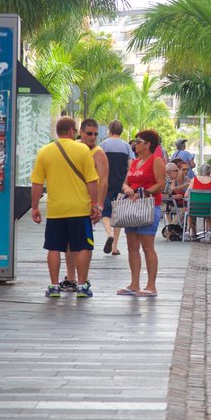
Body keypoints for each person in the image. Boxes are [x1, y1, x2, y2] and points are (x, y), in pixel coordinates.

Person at [30, 116, 101, 299]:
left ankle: (54, 286)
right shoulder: (83, 150)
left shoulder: (44, 152)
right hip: (79, 208)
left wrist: (35, 207)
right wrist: (95, 204)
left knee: (53, 247)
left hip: (56, 209)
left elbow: (37, 183)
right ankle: (82, 286)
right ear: (71, 131)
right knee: (82, 246)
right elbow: (92, 181)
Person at [59, 118, 110, 292]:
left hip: (88, 205)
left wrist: (100, 205)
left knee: (84, 243)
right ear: (80, 132)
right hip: (69, 203)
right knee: (67, 243)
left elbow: (103, 182)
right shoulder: (72, 148)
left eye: (96, 134)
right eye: (89, 133)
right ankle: (71, 277)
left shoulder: (98, 153)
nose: (92, 137)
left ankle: (83, 278)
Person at [117, 129, 166, 297]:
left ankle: (151, 285)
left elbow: (161, 184)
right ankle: (134, 284)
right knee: (132, 246)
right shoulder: (135, 162)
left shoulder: (156, 161)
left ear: (148, 144)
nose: (135, 144)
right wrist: (127, 189)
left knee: (147, 247)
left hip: (149, 206)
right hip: (132, 208)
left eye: (138, 141)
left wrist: (143, 193)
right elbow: (125, 182)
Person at [99, 120, 132, 256]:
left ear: (109, 130)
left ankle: (108, 234)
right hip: (121, 184)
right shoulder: (126, 146)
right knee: (118, 214)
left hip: (105, 183)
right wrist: (127, 183)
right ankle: (114, 247)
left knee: (105, 212)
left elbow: (97, 164)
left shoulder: (103, 145)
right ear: (121, 131)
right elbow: (131, 167)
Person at [187, 163, 211, 240]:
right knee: (210, 207)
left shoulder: (194, 179)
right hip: (208, 210)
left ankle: (188, 231)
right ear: (210, 171)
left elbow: (186, 195)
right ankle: (209, 233)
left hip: (194, 209)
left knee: (190, 209)